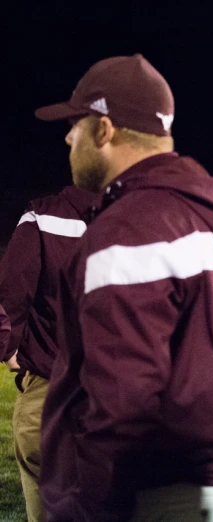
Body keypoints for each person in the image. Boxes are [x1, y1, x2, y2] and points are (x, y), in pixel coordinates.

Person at [33, 53, 213, 521]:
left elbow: (124, 402)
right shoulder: (208, 214)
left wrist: (91, 504)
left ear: (104, 129)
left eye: (75, 123)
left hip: (151, 493)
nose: (67, 136)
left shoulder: (131, 227)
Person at [0, 182, 94, 521]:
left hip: (49, 394)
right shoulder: (154, 215)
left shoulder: (44, 216)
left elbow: (8, 296)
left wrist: (8, 347)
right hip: (131, 405)